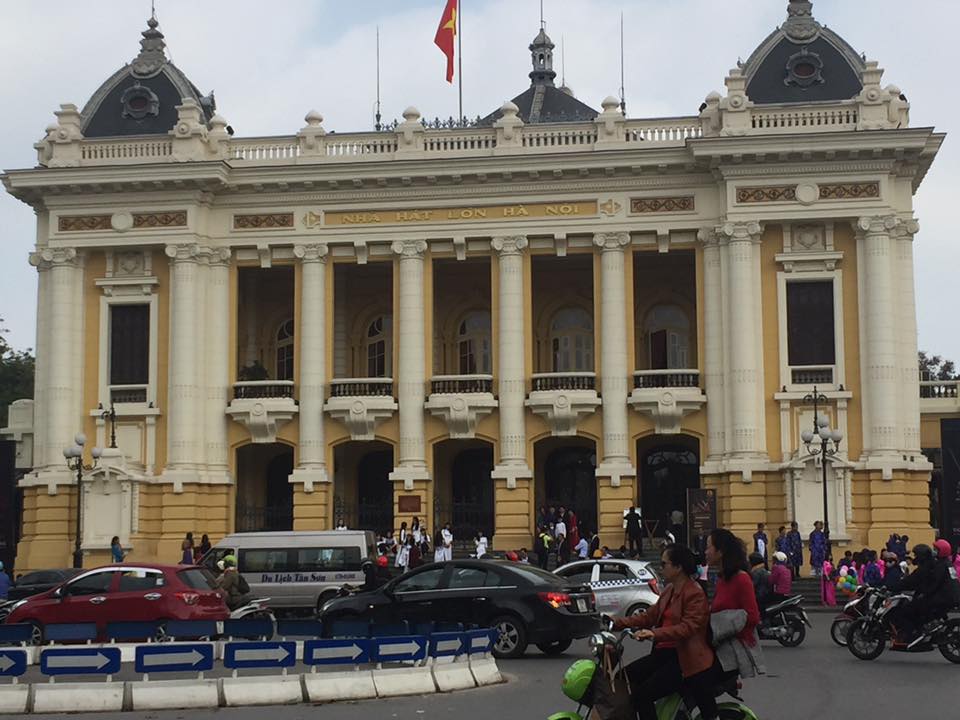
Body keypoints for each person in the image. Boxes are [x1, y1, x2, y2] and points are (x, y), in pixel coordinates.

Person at [612, 543, 718, 720]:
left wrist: (655, 634)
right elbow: (649, 616)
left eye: (664, 564)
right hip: (664, 653)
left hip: (684, 659)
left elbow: (688, 627)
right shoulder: (669, 590)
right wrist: (618, 623)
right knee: (624, 676)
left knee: (642, 696)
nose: (660, 569)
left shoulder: (694, 593)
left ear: (678, 567)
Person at [890, 543, 958, 644]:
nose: (934, 551)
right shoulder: (946, 564)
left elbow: (932, 583)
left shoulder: (938, 565)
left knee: (906, 611)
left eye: (936, 549)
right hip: (951, 596)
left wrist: (924, 594)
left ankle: (912, 636)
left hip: (942, 597)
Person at [706, 528, 761, 647]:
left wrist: (722, 628)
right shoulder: (722, 579)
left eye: (708, 547)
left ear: (720, 552)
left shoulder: (741, 579)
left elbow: (753, 617)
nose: (705, 552)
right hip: (721, 647)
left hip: (736, 649)